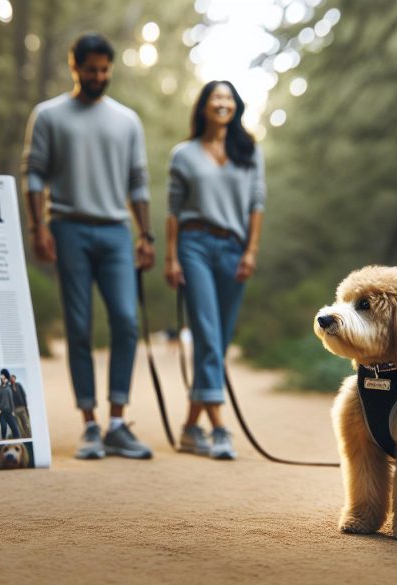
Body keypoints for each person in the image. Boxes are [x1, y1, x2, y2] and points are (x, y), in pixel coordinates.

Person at [22, 33, 155, 460]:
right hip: (68, 228)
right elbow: (35, 174)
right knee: (78, 327)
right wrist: (37, 228)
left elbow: (137, 180)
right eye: (90, 69)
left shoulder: (126, 120)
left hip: (116, 231)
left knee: (125, 321)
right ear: (74, 66)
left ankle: (117, 421)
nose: (98, 76)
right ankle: (89, 425)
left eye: (104, 70)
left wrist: (146, 234)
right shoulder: (49, 115)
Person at [163, 81, 266, 461]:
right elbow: (172, 210)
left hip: (234, 249)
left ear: (235, 106)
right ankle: (220, 428)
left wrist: (251, 251)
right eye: (215, 98)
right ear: (204, 106)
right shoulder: (184, 154)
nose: (222, 103)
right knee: (206, 335)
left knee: (217, 343)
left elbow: (257, 203)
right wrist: (171, 257)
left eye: (228, 98)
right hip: (195, 245)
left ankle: (191, 428)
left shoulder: (249, 151)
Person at [0, 369, 20, 440]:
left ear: (7, 379)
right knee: (4, 428)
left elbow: (12, 401)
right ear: (1, 378)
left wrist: (13, 411)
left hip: (10, 412)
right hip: (2, 413)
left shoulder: (9, 388)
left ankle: (16, 442)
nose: (3, 379)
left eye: (5, 378)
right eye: (2, 377)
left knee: (15, 430)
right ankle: (3, 442)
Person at [10, 373, 31, 438]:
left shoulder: (19, 385)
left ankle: (29, 437)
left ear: (15, 378)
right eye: (10, 378)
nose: (12, 379)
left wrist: (26, 406)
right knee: (17, 427)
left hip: (22, 408)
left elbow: (24, 395)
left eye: (13, 378)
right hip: (14, 409)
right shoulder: (8, 387)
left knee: (26, 424)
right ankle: (21, 438)